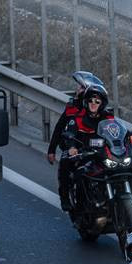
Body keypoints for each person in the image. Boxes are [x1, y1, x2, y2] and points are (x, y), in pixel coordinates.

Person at [47, 77, 112, 212]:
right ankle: (65, 197)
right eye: (79, 87)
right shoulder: (73, 109)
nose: (78, 89)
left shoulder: (104, 114)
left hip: (97, 146)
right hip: (75, 144)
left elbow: (113, 129)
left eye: (82, 87)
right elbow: (60, 128)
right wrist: (53, 150)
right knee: (66, 161)